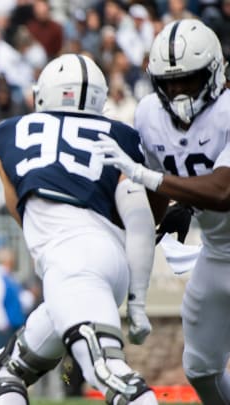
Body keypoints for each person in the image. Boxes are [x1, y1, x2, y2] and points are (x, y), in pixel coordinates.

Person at [0, 54, 158, 405]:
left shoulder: (10, 133)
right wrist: (137, 301)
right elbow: (140, 220)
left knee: (111, 374)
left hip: (70, 264)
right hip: (111, 262)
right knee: (5, 372)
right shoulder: (122, 136)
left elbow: (18, 206)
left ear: (43, 93)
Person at [94, 19, 230, 404]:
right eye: (169, 82)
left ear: (214, 72)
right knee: (201, 370)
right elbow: (160, 194)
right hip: (219, 253)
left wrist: (145, 176)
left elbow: (223, 190)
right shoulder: (150, 114)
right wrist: (129, 236)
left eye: (187, 80)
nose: (177, 90)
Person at [0, 247, 36, 353]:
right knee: (2, 355)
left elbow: (20, 299)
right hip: (5, 327)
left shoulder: (9, 276)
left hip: (14, 325)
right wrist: (2, 324)